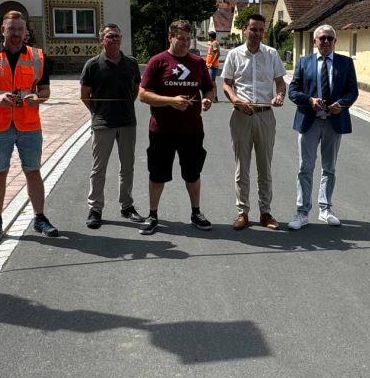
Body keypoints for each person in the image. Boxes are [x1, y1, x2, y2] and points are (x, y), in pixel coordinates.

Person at [0, 11, 58, 242]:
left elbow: (46, 91)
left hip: (29, 125)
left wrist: (37, 98)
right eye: (12, 29)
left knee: (33, 171)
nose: (16, 34)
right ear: (3, 30)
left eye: (20, 29)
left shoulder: (37, 56)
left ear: (26, 31)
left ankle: (40, 218)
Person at [137, 20, 215, 235]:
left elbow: (209, 89)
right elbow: (143, 95)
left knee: (192, 173)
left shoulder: (198, 63)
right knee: (157, 174)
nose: (185, 43)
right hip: (162, 130)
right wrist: (170, 101)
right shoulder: (158, 61)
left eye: (188, 39)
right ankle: (152, 215)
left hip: (192, 130)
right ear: (170, 37)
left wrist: (207, 100)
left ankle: (196, 212)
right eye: (180, 38)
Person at [287, 25, 358, 230]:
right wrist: (309, 100)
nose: (326, 41)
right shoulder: (304, 62)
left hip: (333, 122)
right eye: (322, 38)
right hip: (310, 121)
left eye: (330, 38)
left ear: (335, 42)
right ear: (315, 41)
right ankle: (302, 212)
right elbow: (293, 91)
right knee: (305, 167)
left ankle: (325, 209)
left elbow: (352, 91)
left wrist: (342, 104)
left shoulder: (345, 63)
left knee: (329, 168)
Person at [222, 13, 286, 230]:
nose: (257, 33)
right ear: (245, 30)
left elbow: (280, 83)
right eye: (253, 29)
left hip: (266, 115)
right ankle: (242, 212)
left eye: (260, 30)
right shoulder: (234, 55)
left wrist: (279, 96)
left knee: (265, 167)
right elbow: (227, 84)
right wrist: (234, 99)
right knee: (242, 167)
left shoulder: (272, 54)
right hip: (241, 116)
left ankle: (266, 212)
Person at [80, 23, 143, 228]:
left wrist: (124, 106)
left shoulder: (131, 63)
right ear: (101, 40)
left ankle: (127, 206)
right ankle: (95, 209)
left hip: (127, 122)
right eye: (109, 36)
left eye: (117, 36)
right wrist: (97, 112)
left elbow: (135, 91)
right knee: (99, 168)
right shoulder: (92, 64)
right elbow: (84, 96)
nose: (114, 39)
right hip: (102, 124)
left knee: (128, 167)